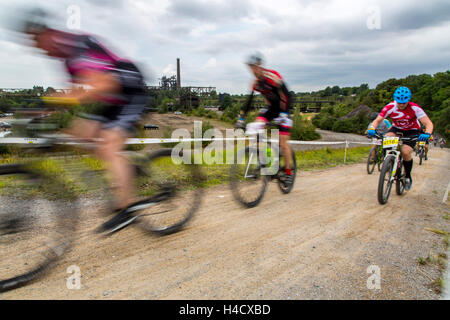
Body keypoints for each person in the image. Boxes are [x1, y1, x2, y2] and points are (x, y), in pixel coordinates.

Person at [17, 8, 148, 233]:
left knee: (108, 145)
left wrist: (58, 101)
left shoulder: (76, 48)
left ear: (48, 33)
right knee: (78, 133)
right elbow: (76, 91)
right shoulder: (66, 59)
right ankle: (126, 170)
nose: (35, 47)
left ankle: (129, 209)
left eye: (36, 40)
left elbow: (102, 84)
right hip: (113, 98)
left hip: (131, 90)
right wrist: (42, 108)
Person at [237, 52, 294, 185]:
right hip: (270, 110)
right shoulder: (255, 84)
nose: (252, 70)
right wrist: (241, 119)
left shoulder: (272, 76)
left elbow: (287, 95)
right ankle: (262, 162)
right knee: (256, 127)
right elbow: (248, 102)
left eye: (254, 66)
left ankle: (288, 172)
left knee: (283, 143)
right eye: (250, 67)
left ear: (259, 65)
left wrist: (284, 114)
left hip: (283, 109)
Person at [368, 86, 434, 191]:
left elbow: (428, 123)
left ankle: (407, 176)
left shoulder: (415, 108)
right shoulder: (390, 107)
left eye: (404, 102)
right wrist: (372, 128)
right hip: (397, 129)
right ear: (395, 100)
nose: (402, 104)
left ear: (408, 100)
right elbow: (377, 120)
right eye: (399, 102)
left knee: (405, 152)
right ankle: (389, 162)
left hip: (412, 130)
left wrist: (427, 133)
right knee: (386, 139)